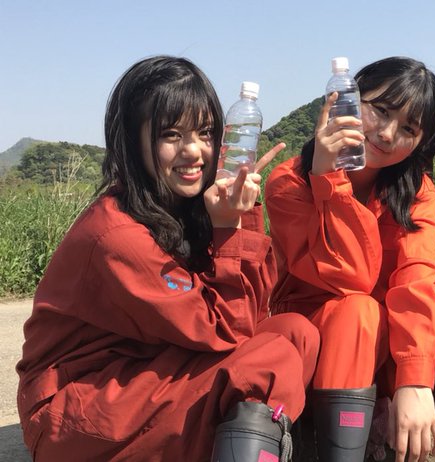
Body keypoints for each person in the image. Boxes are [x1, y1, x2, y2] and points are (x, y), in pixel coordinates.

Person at [16, 56, 320, 462]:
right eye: (171, 135)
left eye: (205, 132)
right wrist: (229, 228)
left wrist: (242, 214)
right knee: (268, 360)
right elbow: (228, 329)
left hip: (140, 373)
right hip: (75, 408)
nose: (193, 151)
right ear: (132, 141)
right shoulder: (117, 235)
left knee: (296, 332)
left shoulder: (179, 207)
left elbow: (253, 312)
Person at [265, 56, 435, 462]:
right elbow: (348, 277)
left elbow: (417, 279)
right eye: (380, 110)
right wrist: (329, 178)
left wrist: (415, 380)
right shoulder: (289, 182)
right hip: (315, 350)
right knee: (358, 310)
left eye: (408, 129)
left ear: (421, 143)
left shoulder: (415, 190)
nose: (386, 134)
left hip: (383, 350)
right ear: (347, 99)